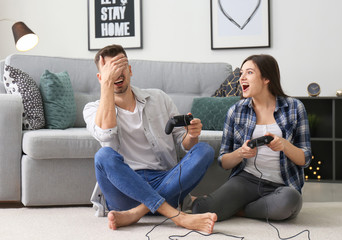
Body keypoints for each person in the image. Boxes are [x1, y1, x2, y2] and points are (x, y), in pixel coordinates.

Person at [83, 44, 217, 233]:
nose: (116, 74)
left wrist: (192, 135)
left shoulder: (159, 98)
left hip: (164, 180)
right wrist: (107, 83)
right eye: (110, 69)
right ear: (101, 77)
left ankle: (136, 213)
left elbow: (184, 143)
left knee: (204, 150)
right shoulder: (91, 109)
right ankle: (177, 216)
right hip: (124, 188)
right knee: (103, 156)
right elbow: (106, 134)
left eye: (120, 66)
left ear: (129, 70)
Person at [192, 54, 312, 222]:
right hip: (246, 179)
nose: (241, 78)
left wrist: (284, 145)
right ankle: (256, 208)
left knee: (289, 202)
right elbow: (224, 162)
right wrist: (241, 153)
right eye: (241, 73)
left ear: (266, 78)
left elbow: (305, 159)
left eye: (249, 72)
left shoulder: (294, 107)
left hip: (282, 184)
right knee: (201, 209)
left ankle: (241, 210)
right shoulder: (236, 111)